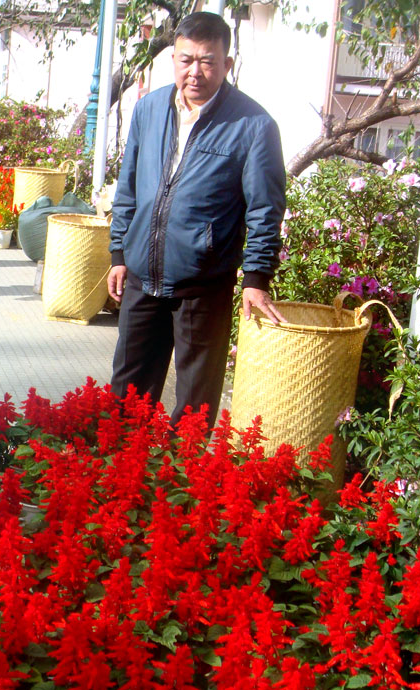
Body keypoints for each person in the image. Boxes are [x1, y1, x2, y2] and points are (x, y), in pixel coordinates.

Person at [106, 11, 286, 430]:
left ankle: (178, 488)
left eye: (208, 61)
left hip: (203, 287)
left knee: (194, 410)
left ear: (227, 63)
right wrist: (119, 252)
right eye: (186, 60)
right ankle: (119, 487)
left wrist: (256, 279)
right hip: (141, 281)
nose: (195, 72)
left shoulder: (254, 126)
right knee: (124, 402)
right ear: (173, 59)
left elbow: (265, 208)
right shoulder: (149, 108)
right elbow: (128, 186)